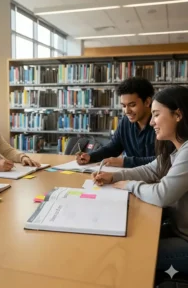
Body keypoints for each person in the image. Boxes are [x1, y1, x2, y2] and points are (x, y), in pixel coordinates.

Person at [93, 86, 188, 274]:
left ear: (178, 115)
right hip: (178, 229)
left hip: (185, 240)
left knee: (124, 251)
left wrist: (129, 185)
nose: (152, 122)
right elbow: (150, 171)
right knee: (126, 237)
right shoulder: (176, 149)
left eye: (156, 114)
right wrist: (114, 176)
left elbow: (162, 195)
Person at [76, 77, 156, 168]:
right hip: (132, 176)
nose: (126, 111)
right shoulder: (126, 121)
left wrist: (125, 162)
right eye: (123, 106)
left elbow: (164, 161)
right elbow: (114, 147)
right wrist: (91, 156)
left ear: (147, 102)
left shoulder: (161, 124)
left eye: (132, 105)